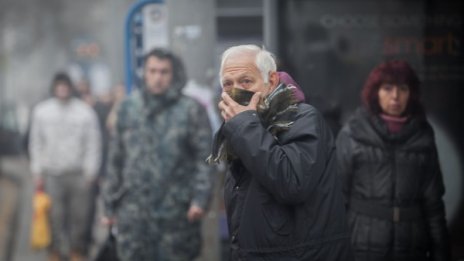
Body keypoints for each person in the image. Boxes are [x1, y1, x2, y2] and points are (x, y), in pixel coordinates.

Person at [209, 44, 353, 260]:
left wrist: (244, 126)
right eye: (228, 84)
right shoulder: (244, 127)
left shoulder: (302, 118)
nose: (236, 91)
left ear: (272, 81)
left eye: (246, 81)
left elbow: (292, 183)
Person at [102, 48, 213, 261]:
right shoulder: (128, 108)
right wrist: (109, 204)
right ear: (145, 73)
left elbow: (205, 159)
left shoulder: (190, 110)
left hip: (176, 213)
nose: (157, 78)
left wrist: (200, 199)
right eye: (152, 71)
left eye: (164, 72)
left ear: (174, 74)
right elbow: (116, 159)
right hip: (135, 212)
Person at [336, 60, 450, 261]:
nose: (395, 96)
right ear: (375, 92)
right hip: (362, 244)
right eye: (387, 88)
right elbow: (337, 199)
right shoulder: (353, 132)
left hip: (412, 246)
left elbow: (433, 204)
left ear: (411, 94)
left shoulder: (423, 135)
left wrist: (441, 253)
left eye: (402, 89)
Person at [29, 72, 101, 261]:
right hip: (52, 174)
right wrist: (37, 171)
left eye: (65, 86)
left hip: (78, 174)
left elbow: (93, 143)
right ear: (53, 88)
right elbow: (35, 143)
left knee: (80, 217)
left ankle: (77, 251)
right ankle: (54, 252)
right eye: (58, 86)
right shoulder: (42, 112)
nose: (62, 90)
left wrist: (91, 171)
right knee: (54, 217)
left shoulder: (85, 112)